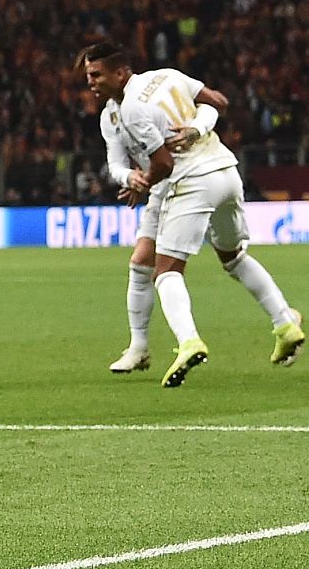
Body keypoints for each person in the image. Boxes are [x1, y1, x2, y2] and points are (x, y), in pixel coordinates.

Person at [80, 41, 303, 387]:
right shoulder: (154, 84)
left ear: (121, 73)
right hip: (224, 171)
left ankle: (188, 342)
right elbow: (217, 102)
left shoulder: (134, 109)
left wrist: (142, 184)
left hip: (186, 181)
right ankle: (285, 323)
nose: (91, 81)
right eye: (88, 75)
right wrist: (130, 176)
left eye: (97, 74)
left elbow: (164, 164)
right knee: (209, 258)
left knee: (166, 271)